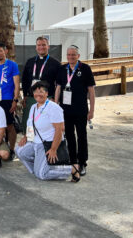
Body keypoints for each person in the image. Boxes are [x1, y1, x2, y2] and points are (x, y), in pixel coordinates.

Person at [16, 81, 80, 182]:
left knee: (42, 175)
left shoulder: (54, 107)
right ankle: (39, 168)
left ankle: (72, 169)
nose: (38, 94)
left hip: (47, 143)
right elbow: (31, 124)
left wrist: (54, 149)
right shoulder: (33, 107)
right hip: (34, 141)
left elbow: (60, 130)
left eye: (41, 91)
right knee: (19, 150)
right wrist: (26, 137)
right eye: (36, 91)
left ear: (46, 93)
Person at [55, 45, 95, 176]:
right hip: (65, 110)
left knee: (82, 136)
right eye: (69, 55)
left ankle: (82, 162)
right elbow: (58, 88)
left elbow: (91, 91)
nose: (71, 57)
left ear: (78, 56)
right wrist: (56, 106)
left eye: (73, 54)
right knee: (69, 136)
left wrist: (92, 110)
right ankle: (73, 161)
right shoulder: (62, 69)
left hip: (81, 109)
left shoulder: (85, 69)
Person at [21, 37, 61, 131]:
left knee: (45, 125)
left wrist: (55, 99)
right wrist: (25, 95)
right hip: (31, 98)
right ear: (36, 47)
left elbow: (59, 84)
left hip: (47, 98)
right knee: (29, 125)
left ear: (48, 46)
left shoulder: (55, 63)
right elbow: (25, 79)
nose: (41, 47)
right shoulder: (30, 61)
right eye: (39, 45)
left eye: (43, 45)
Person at [0, 42, 20, 159]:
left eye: (0, 51)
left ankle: (12, 150)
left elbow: (17, 85)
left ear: (5, 51)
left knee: (9, 126)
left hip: (7, 100)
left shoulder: (13, 65)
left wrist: (15, 100)